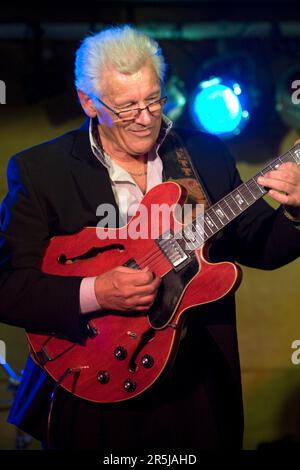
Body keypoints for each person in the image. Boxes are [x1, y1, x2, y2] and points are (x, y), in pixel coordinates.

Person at [1, 25, 300, 451]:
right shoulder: (40, 171)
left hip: (195, 386)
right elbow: (8, 286)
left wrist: (295, 210)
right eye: (126, 107)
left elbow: (259, 245)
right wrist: (96, 292)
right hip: (91, 382)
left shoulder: (205, 154)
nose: (145, 118)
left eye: (153, 100)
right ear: (88, 101)